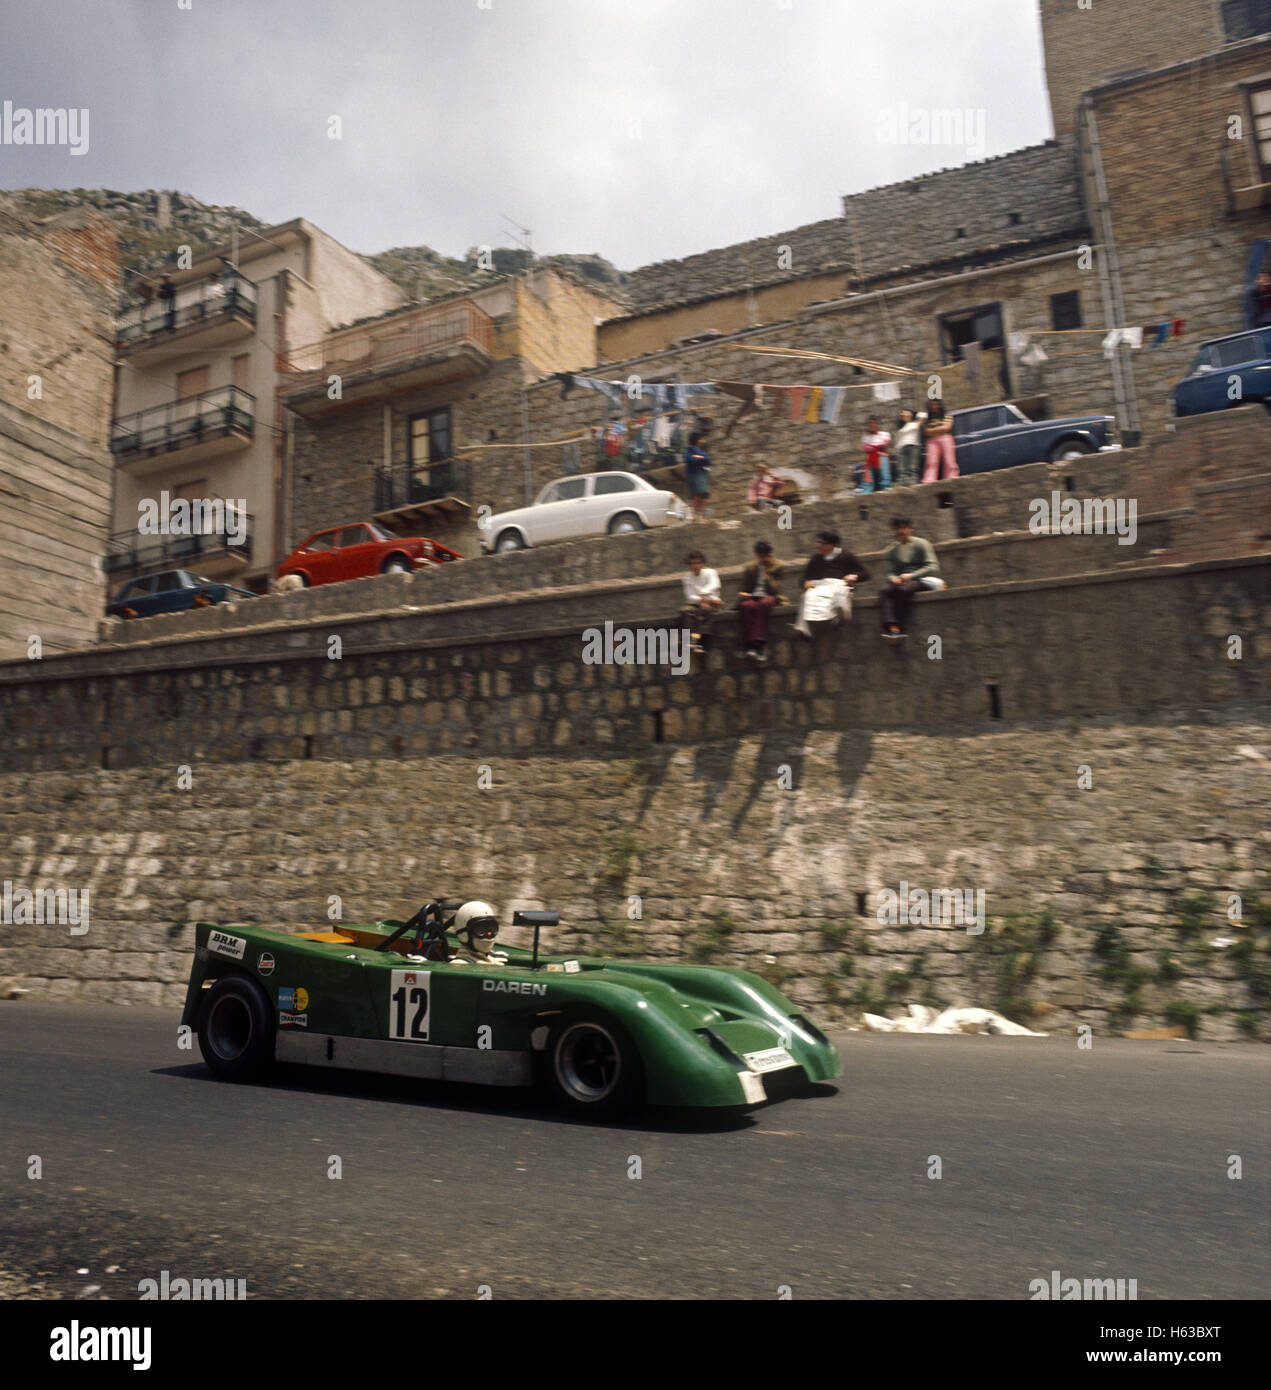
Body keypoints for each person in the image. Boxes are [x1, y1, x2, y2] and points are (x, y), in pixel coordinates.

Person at [794, 529, 870, 638]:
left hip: (839, 585)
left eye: (823, 543)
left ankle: (838, 618)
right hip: (819, 587)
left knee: (839, 595)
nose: (819, 546)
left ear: (833, 545)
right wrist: (805, 583)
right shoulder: (816, 558)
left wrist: (855, 576)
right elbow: (803, 578)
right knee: (806, 596)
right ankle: (802, 630)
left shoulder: (846, 555)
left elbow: (866, 573)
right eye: (819, 543)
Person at [879, 516, 941, 640]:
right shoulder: (892, 550)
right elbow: (890, 572)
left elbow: (933, 566)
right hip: (901, 581)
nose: (900, 531)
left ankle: (901, 627)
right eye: (897, 528)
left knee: (903, 591)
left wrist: (911, 575)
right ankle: (891, 626)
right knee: (885, 592)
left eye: (903, 528)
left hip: (921, 580)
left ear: (910, 528)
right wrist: (893, 579)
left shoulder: (922, 544)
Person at [737, 540, 785, 663]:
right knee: (746, 606)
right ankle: (750, 646)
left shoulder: (778, 566)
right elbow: (743, 589)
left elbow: (775, 590)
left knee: (763, 604)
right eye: (762, 556)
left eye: (767, 556)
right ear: (757, 556)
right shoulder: (750, 568)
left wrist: (766, 575)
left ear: (771, 554)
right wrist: (744, 594)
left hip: (770, 596)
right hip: (753, 597)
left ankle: (758, 645)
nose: (765, 559)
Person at [681, 550, 722, 654]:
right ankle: (694, 640)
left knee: (704, 610)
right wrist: (703, 599)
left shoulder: (711, 573)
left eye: (697, 563)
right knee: (687, 611)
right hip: (696, 604)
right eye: (692, 563)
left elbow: (715, 585)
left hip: (710, 604)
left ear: (702, 563)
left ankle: (702, 643)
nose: (695, 566)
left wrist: (704, 595)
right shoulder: (686, 578)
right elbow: (689, 597)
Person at [448, 900, 509, 965]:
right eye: (481, 931)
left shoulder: (492, 960)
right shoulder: (459, 964)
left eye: (492, 929)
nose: (489, 934)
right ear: (464, 934)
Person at [922, 399, 959, 483]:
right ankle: (929, 480)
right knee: (931, 462)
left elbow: (947, 427)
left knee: (949, 460)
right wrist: (940, 429)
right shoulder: (927, 420)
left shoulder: (947, 416)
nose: (934, 407)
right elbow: (926, 431)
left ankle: (952, 478)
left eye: (936, 404)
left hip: (946, 438)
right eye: (932, 405)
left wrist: (933, 430)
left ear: (940, 406)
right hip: (932, 441)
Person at [893, 407, 926, 487]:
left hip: (913, 446)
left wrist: (915, 413)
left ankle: (913, 482)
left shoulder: (916, 423)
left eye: (904, 412)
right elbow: (897, 440)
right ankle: (902, 484)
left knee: (912, 467)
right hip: (902, 448)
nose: (902, 414)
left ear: (910, 413)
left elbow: (924, 415)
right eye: (901, 413)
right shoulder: (901, 427)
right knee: (901, 469)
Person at [684, 431, 712, 520]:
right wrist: (700, 459)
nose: (702, 441)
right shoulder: (689, 450)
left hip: (702, 474)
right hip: (694, 474)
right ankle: (694, 516)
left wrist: (700, 458)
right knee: (696, 496)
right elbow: (689, 459)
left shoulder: (701, 452)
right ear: (697, 441)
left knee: (703, 496)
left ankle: (703, 515)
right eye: (700, 439)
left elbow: (708, 461)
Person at [861, 417, 892, 492]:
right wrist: (877, 446)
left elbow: (885, 445)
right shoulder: (865, 437)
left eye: (874, 423)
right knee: (868, 477)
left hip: (881, 457)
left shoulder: (884, 434)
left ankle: (886, 490)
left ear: (878, 424)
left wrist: (871, 446)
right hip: (870, 459)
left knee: (884, 476)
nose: (872, 425)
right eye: (870, 423)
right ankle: (867, 492)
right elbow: (865, 449)